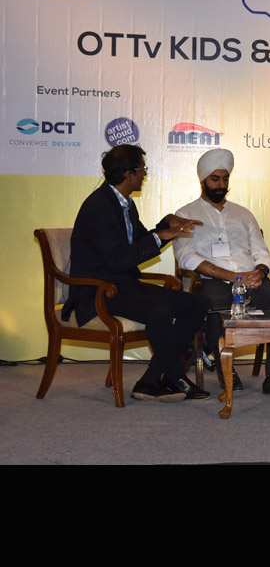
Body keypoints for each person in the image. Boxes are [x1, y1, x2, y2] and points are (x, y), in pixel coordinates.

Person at [62, 144, 210, 403]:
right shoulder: (98, 206)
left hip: (123, 285)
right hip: (97, 290)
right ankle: (173, 376)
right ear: (128, 173)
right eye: (142, 169)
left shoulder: (125, 204)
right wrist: (161, 235)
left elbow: (141, 241)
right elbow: (118, 259)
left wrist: (167, 224)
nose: (145, 174)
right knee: (159, 309)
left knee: (197, 304)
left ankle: (151, 379)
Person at [174, 149, 270, 397]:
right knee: (215, 304)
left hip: (251, 279)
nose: (221, 185)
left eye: (225, 179)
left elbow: (261, 251)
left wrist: (260, 271)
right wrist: (230, 276)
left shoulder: (243, 214)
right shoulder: (185, 215)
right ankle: (225, 369)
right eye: (215, 179)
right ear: (203, 180)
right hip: (213, 280)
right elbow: (186, 257)